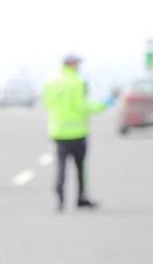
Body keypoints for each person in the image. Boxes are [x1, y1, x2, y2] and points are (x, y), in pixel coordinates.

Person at [42, 54, 110, 211]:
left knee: (60, 167)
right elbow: (82, 106)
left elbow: (46, 102)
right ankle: (81, 197)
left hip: (58, 131)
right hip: (77, 131)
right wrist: (103, 105)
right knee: (80, 168)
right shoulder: (76, 81)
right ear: (71, 64)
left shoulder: (50, 80)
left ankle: (60, 198)